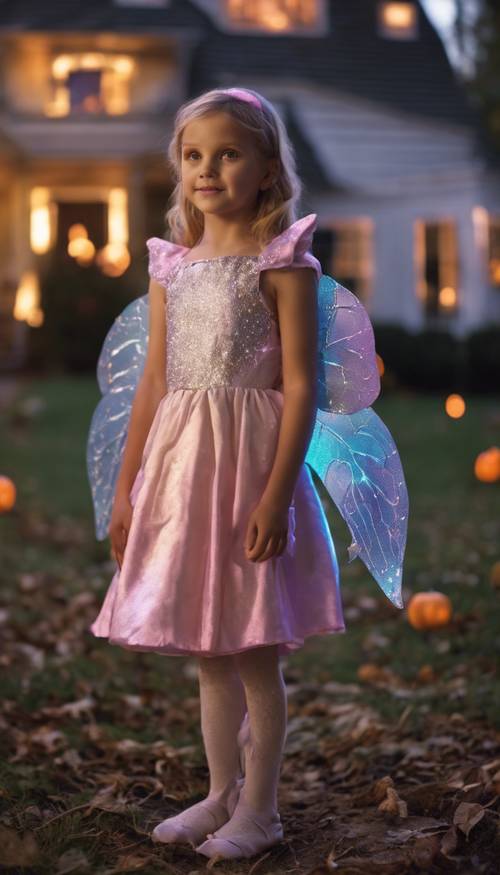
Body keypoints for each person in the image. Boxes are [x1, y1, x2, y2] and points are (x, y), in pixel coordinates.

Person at [86, 86, 408, 862]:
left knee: (253, 644)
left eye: (228, 153)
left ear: (267, 169)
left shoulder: (282, 262)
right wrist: (126, 491)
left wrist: (275, 495)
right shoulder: (172, 266)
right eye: (193, 155)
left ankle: (260, 809)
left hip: (252, 470)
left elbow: (299, 386)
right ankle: (219, 791)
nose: (207, 169)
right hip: (181, 470)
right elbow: (154, 384)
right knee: (209, 648)